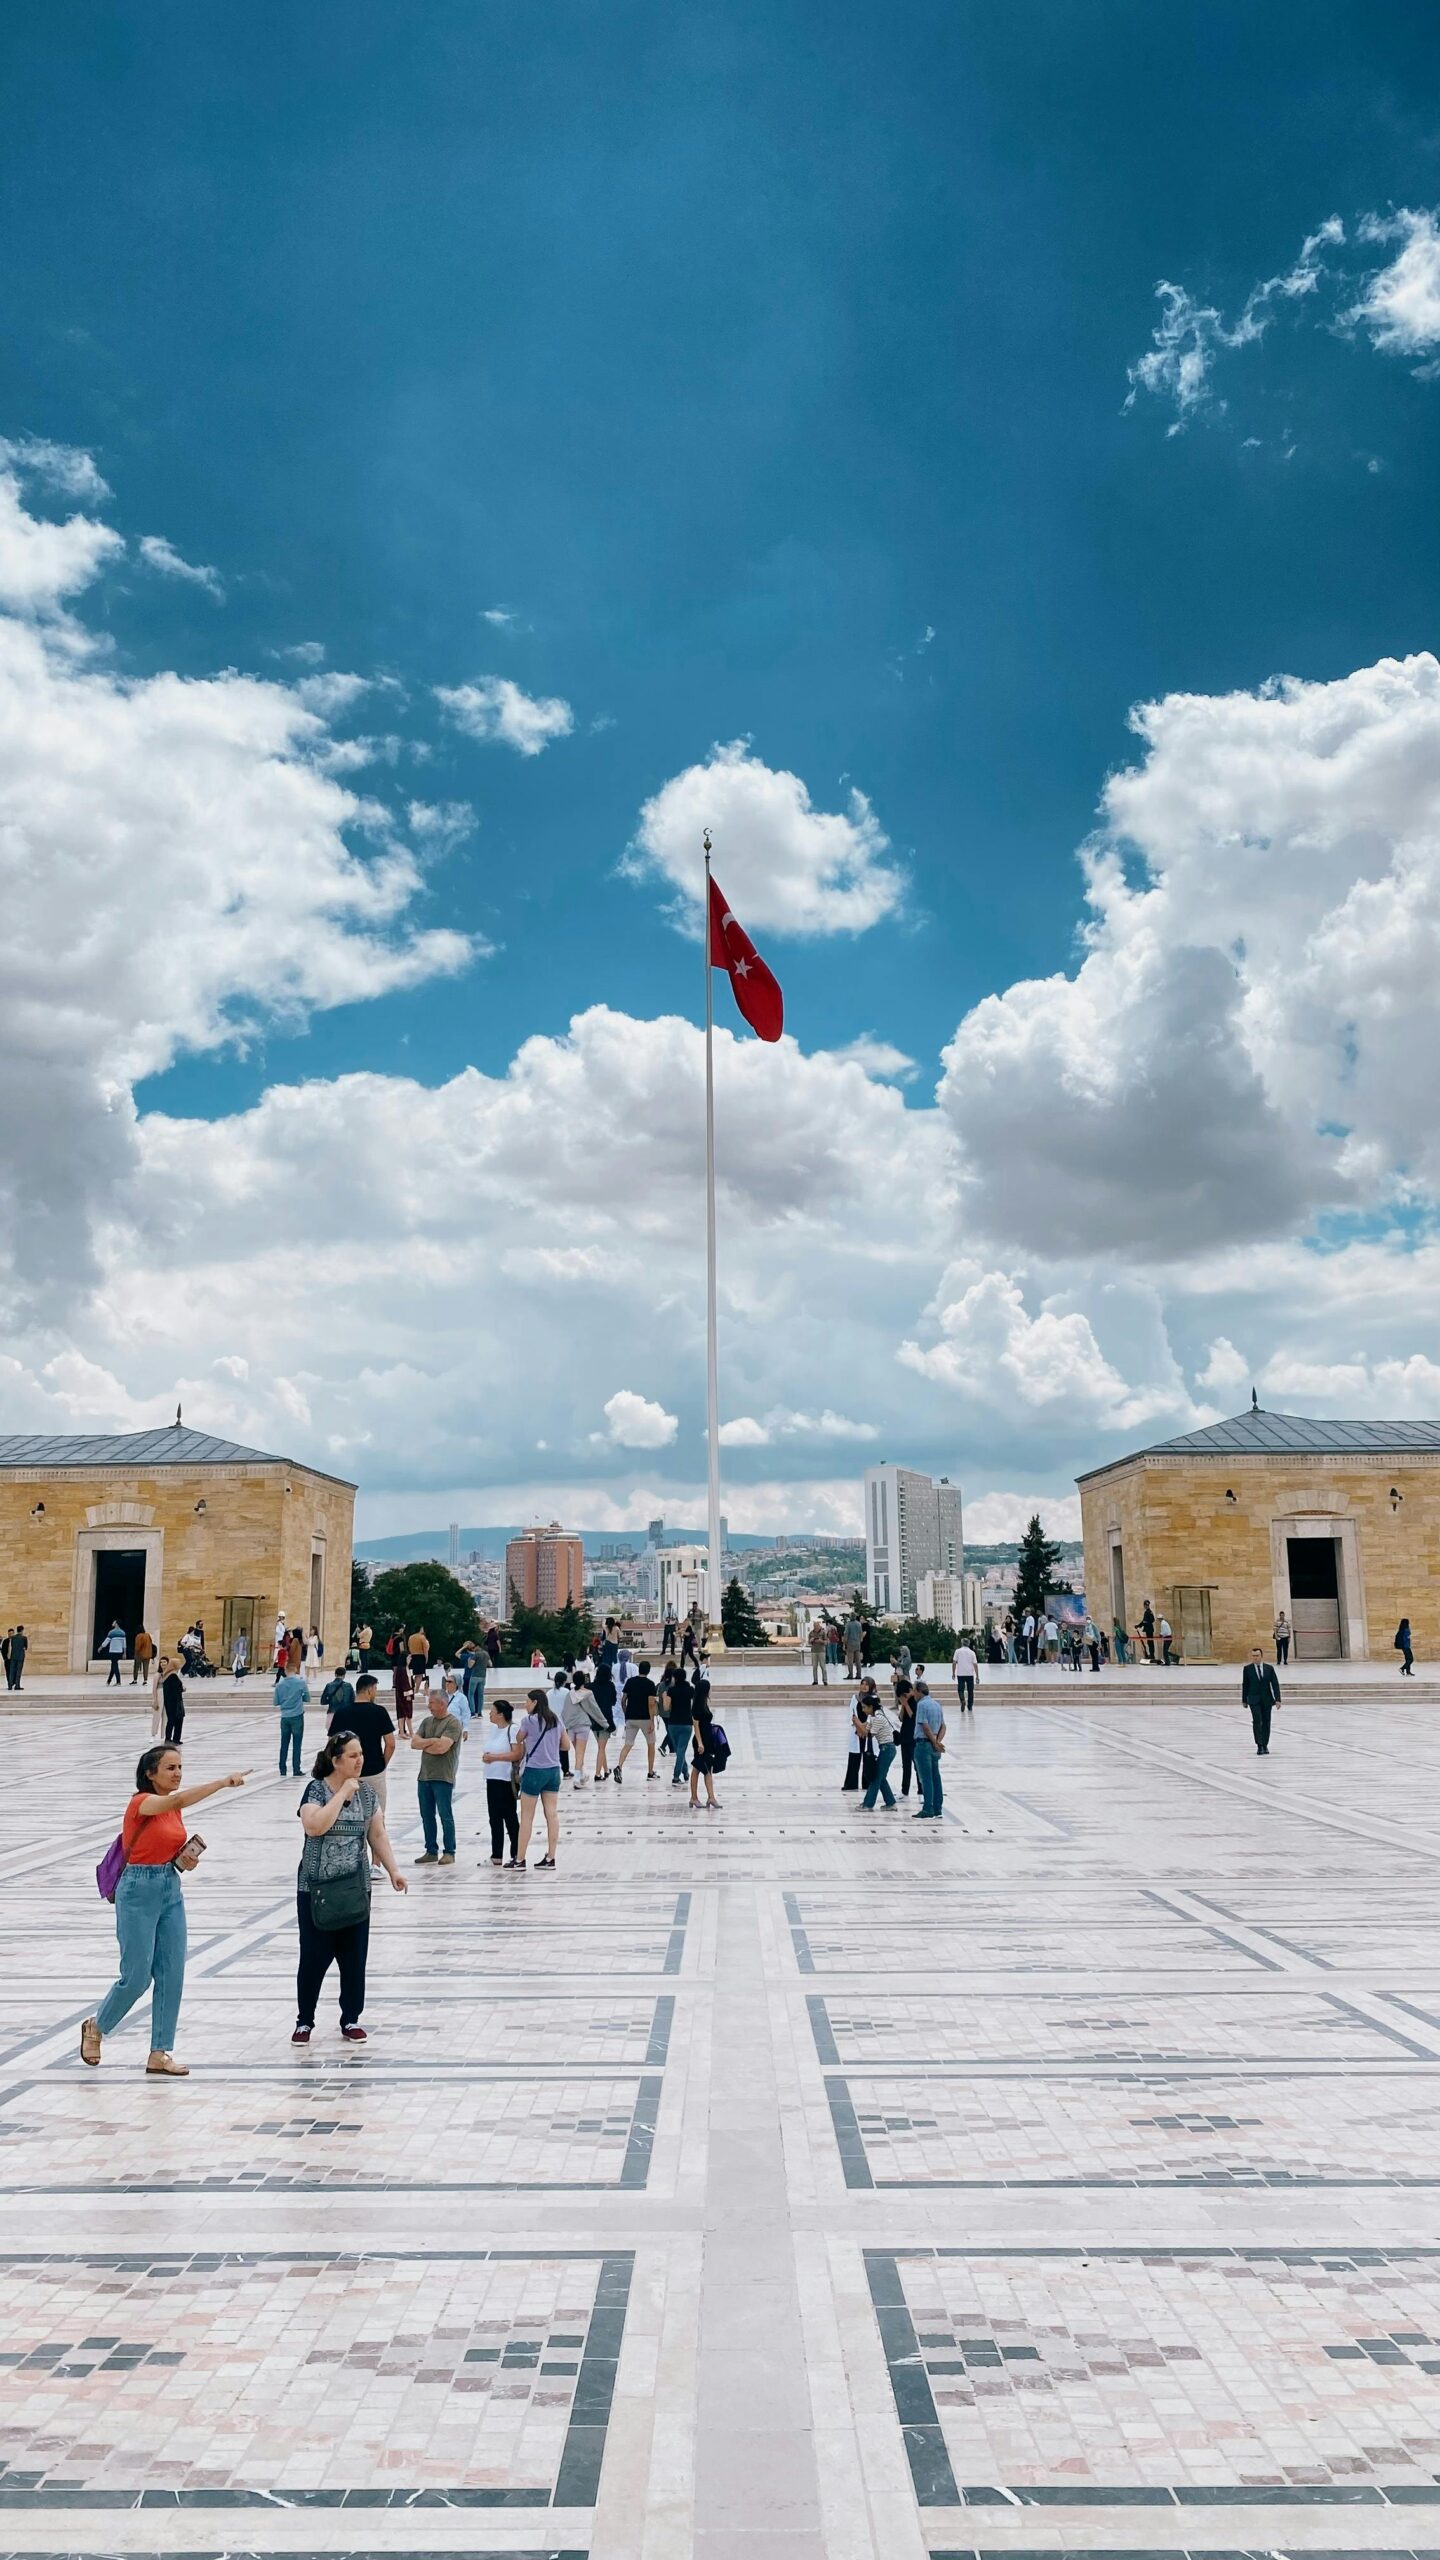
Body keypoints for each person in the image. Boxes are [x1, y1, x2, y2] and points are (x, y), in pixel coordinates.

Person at [81, 1744, 248, 2074]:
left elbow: (167, 1834)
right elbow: (176, 1799)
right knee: (137, 1976)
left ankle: (160, 2051)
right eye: (170, 1768)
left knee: (172, 1972)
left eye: (180, 1767)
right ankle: (97, 2026)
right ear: (150, 1774)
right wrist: (221, 1783)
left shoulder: (173, 1809)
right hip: (137, 1890)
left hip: (169, 1886)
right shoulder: (141, 1803)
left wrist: (184, 1859)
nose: (178, 1774)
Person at [294, 1729, 407, 2043]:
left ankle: (350, 2019)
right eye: (353, 1755)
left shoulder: (368, 1794)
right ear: (336, 1760)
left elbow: (377, 1835)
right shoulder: (316, 1791)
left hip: (355, 1890)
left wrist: (394, 1869)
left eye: (361, 1754)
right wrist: (342, 1793)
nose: (360, 1760)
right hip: (316, 1890)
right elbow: (314, 1826)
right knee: (314, 1957)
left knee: (354, 1958)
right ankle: (305, 2020)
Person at [331, 1671, 395, 1812]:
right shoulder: (379, 1712)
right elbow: (390, 1743)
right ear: (369, 1690)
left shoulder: (341, 1712)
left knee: (349, 1815)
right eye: (375, 1689)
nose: (375, 1693)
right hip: (374, 1769)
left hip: (347, 1772)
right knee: (376, 1816)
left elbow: (332, 1743)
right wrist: (382, 1764)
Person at [410, 1691, 462, 1863]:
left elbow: (442, 1748)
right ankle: (431, 1850)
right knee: (426, 1815)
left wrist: (426, 1744)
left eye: (432, 1703)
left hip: (443, 1777)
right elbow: (414, 1743)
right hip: (424, 1776)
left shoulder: (453, 1723)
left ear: (442, 1704)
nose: (429, 1706)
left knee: (445, 1815)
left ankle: (449, 1851)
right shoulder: (426, 1721)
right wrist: (432, 1741)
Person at [515, 1689, 562, 1868]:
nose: (525, 1705)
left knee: (527, 1816)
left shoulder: (528, 1721)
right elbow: (565, 1744)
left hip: (534, 1771)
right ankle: (551, 1857)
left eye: (527, 1701)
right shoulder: (556, 1720)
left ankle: (520, 1859)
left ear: (535, 1702)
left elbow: (519, 1738)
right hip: (553, 1770)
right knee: (552, 1813)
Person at [480, 1700, 521, 1867]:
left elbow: (517, 1753)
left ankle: (517, 1852)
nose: (489, 1714)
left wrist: (494, 1758)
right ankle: (496, 1854)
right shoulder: (493, 1729)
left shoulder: (513, 1729)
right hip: (492, 1778)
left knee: (509, 1817)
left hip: (505, 1779)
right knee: (494, 1818)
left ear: (501, 1714)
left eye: (492, 1711)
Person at [614, 1658, 659, 1783]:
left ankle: (619, 1766)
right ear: (648, 1671)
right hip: (645, 1718)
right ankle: (650, 1772)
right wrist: (652, 1721)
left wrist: (626, 1713)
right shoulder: (650, 1684)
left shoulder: (630, 1682)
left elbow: (623, 1700)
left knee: (628, 1744)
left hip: (631, 1717)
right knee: (651, 1745)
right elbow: (651, 1704)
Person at [860, 1687, 898, 1811]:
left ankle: (868, 1804)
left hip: (887, 1749)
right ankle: (890, 1802)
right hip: (885, 1748)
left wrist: (857, 1723)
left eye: (865, 1707)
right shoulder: (874, 1717)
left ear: (871, 1707)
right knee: (881, 1777)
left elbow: (868, 1733)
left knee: (876, 1777)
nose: (863, 1710)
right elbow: (865, 1729)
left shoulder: (878, 1718)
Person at [913, 1682, 946, 1819]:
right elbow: (943, 1726)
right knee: (935, 1777)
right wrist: (938, 1742)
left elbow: (924, 1726)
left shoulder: (921, 1705)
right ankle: (937, 1808)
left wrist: (932, 1741)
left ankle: (928, 1809)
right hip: (934, 1746)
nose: (913, 1694)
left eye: (914, 1691)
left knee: (926, 1778)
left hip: (923, 1744)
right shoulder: (937, 1704)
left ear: (919, 1691)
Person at [1242, 1645, 1281, 1753]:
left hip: (1267, 1699)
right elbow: (1245, 1684)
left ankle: (1265, 1744)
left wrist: (1278, 1699)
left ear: (1261, 1656)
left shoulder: (1269, 1668)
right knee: (1257, 1721)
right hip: (1254, 1699)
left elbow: (1275, 1684)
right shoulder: (1247, 1669)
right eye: (1253, 1656)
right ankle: (1259, 1745)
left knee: (1266, 1722)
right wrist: (1244, 1700)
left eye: (1257, 1656)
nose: (1255, 1658)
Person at [689, 1677, 720, 1810]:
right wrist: (700, 1743)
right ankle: (696, 1798)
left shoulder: (703, 1704)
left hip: (707, 1740)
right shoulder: (697, 1706)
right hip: (700, 1741)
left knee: (704, 1769)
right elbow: (696, 1725)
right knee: (700, 1769)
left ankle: (709, 1797)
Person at [274, 1662, 310, 1776]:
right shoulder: (301, 1683)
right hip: (297, 1715)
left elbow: (276, 1702)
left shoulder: (279, 1685)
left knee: (284, 1743)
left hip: (285, 1717)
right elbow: (307, 1698)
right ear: (295, 1670)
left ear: (285, 1671)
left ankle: (282, 1769)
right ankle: (296, 1769)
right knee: (297, 1744)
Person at [662, 1665, 694, 1786]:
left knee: (679, 1750)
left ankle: (677, 1775)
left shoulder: (671, 1690)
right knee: (681, 1750)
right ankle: (683, 1773)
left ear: (675, 1678)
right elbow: (693, 1706)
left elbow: (666, 1708)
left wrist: (664, 1697)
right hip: (686, 1723)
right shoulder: (690, 1690)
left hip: (673, 1723)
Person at [892, 1680, 916, 1799]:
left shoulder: (916, 1701)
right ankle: (904, 1790)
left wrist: (906, 1703)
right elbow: (901, 1718)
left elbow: (913, 1716)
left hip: (914, 1737)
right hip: (905, 1736)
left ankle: (921, 1792)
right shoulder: (905, 1702)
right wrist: (903, 1706)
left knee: (917, 1765)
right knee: (905, 1765)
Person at [155, 1653, 185, 1746]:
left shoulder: (167, 1675)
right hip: (175, 1702)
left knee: (171, 1720)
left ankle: (169, 1738)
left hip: (169, 1701)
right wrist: (182, 1688)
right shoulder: (173, 1676)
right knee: (177, 1720)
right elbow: (177, 1689)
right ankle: (174, 1739)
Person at [951, 1637, 977, 1713]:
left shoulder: (957, 1651)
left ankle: (962, 1700)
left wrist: (953, 1673)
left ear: (962, 1643)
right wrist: (977, 1676)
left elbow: (954, 1662)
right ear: (968, 1644)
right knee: (970, 1690)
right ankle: (970, 1706)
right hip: (970, 1673)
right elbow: (975, 1664)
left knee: (960, 1689)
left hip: (960, 1673)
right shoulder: (972, 1652)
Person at [392, 1648, 413, 1737]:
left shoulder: (404, 1669)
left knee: (403, 1713)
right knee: (406, 1713)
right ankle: (407, 1732)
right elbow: (405, 1683)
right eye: (409, 1658)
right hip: (404, 1695)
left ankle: (402, 1731)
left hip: (402, 1694)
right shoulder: (403, 1670)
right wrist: (408, 1694)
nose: (410, 1659)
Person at [101, 1618, 127, 1685]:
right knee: (113, 1666)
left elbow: (106, 1641)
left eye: (114, 1622)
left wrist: (100, 1647)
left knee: (115, 1666)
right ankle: (108, 1681)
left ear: (116, 1624)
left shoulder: (111, 1632)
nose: (112, 1623)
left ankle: (118, 1681)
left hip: (113, 1651)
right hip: (119, 1652)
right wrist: (124, 1653)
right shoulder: (123, 1633)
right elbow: (124, 1644)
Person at [843, 1612, 863, 1678]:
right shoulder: (859, 1624)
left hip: (850, 1644)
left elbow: (846, 1634)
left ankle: (850, 1674)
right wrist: (859, 1641)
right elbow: (861, 1634)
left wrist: (844, 1643)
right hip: (857, 1644)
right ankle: (859, 1674)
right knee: (858, 1661)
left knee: (850, 1661)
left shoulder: (848, 1624)